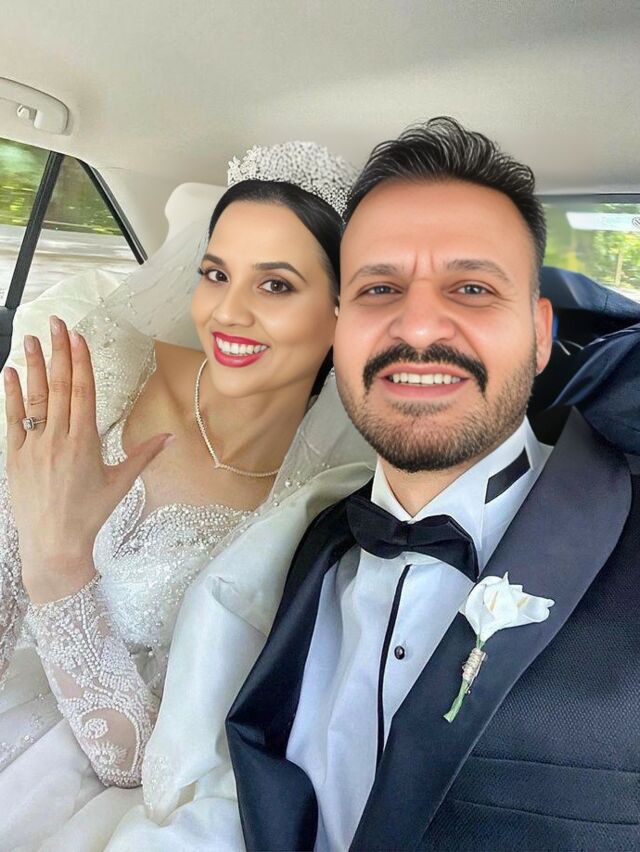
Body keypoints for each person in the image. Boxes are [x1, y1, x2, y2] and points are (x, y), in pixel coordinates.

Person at [225, 118, 640, 851]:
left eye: (472, 288)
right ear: (338, 330)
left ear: (540, 335)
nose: (418, 327)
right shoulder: (300, 549)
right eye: (380, 287)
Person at [0, 141, 374, 850]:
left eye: (275, 285)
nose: (228, 312)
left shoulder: (318, 508)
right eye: (216, 273)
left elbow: (152, 761)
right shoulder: (105, 368)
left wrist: (60, 564)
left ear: (341, 311)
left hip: (95, 772)